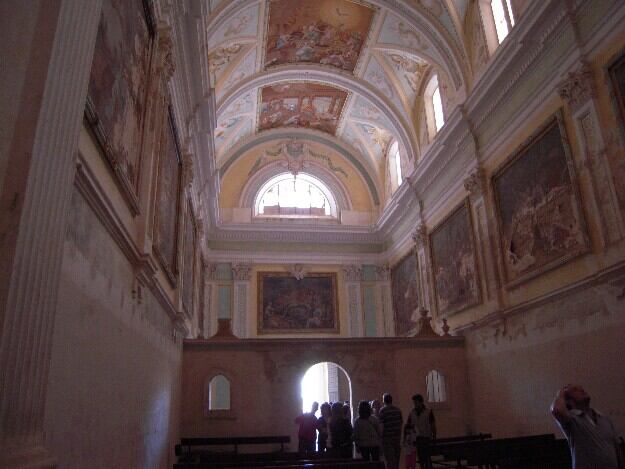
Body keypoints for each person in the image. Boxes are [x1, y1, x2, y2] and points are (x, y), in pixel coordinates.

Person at [551, 384, 624, 469]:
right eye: (575, 390)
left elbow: (617, 449)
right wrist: (560, 392)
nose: (582, 390)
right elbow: (556, 410)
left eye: (581, 388)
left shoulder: (604, 419)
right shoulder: (571, 420)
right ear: (569, 401)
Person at [405, 394, 436, 469]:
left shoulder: (428, 412)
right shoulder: (412, 413)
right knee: (421, 459)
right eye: (414, 403)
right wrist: (409, 436)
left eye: (416, 402)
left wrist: (434, 436)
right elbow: (408, 426)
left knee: (427, 458)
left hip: (426, 438)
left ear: (421, 402)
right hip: (417, 439)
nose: (415, 404)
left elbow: (432, 425)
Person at [378, 393, 403, 469]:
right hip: (397, 438)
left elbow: (381, 426)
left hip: (387, 439)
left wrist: (380, 438)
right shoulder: (398, 410)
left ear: (384, 401)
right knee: (396, 460)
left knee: (390, 461)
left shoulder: (382, 411)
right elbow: (400, 424)